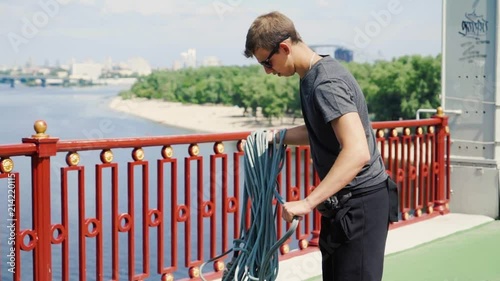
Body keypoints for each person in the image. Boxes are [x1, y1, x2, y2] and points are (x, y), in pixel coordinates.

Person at [243, 11, 398, 281]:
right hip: (344, 205)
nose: (268, 71)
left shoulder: (326, 82)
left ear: (284, 47)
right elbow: (320, 129)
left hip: (360, 204)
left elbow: (357, 151)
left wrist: (307, 202)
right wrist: (276, 136)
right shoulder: (310, 76)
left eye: (268, 62)